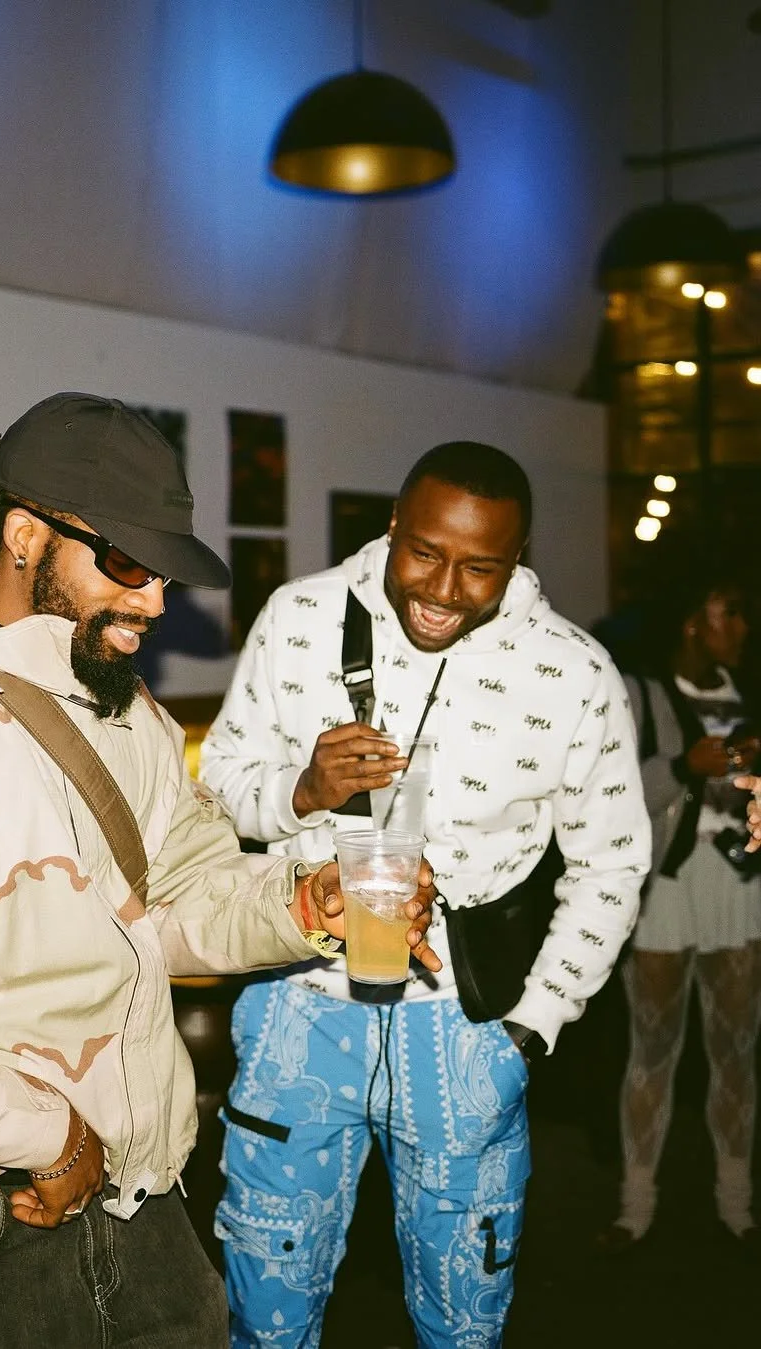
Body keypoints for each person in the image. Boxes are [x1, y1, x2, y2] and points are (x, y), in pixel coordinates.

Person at [0, 393, 439, 1349]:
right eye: (128, 563)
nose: (154, 599)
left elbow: (177, 898)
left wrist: (303, 899)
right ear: (25, 537)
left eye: (165, 573)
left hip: (141, 1198)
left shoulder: (125, 714)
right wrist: (45, 1132)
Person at [199, 440, 650, 1348]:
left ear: (518, 559)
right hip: (297, 1001)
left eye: (481, 566)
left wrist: (531, 1026)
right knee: (264, 1307)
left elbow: (612, 863)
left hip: (466, 1026)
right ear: (393, 526)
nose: (444, 588)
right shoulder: (298, 619)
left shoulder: (575, 672)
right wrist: (301, 790)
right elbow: (215, 793)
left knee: (464, 1319)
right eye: (425, 552)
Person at [598, 578, 761, 1252]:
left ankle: (737, 1203)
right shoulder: (642, 694)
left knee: (736, 1051)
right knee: (653, 1050)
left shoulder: (746, 698)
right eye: (733, 613)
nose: (744, 627)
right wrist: (684, 764)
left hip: (739, 886)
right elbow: (612, 791)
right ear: (695, 623)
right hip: (665, 886)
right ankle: (635, 1207)